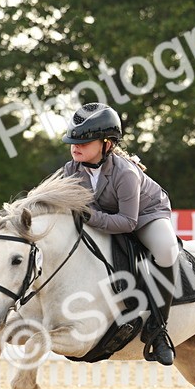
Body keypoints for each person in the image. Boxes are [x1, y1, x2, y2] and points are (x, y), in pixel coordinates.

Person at [60, 103, 178, 366]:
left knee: (167, 250)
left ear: (106, 144)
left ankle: (159, 330)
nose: (75, 146)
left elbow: (127, 222)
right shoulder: (71, 169)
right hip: (107, 215)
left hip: (146, 215)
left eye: (84, 141)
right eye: (72, 141)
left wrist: (88, 216)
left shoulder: (125, 173)